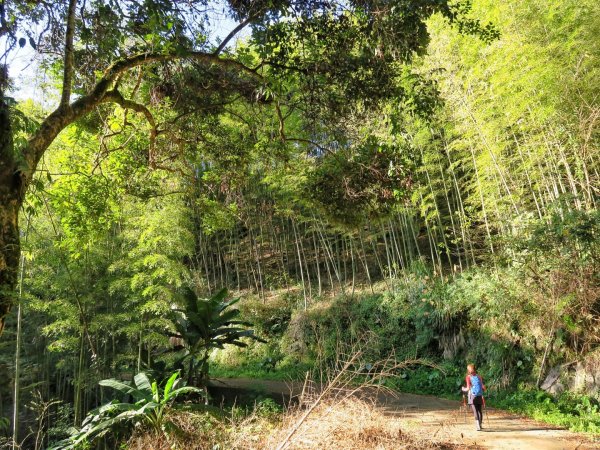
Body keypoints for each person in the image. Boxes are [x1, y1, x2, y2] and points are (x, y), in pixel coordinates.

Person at [461, 363, 486, 431]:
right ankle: (480, 425)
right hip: (479, 395)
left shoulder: (468, 377)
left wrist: (463, 389)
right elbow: (483, 387)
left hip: (473, 396)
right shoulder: (479, 376)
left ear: (468, 370)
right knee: (479, 411)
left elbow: (468, 388)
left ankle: (477, 426)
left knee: (475, 411)